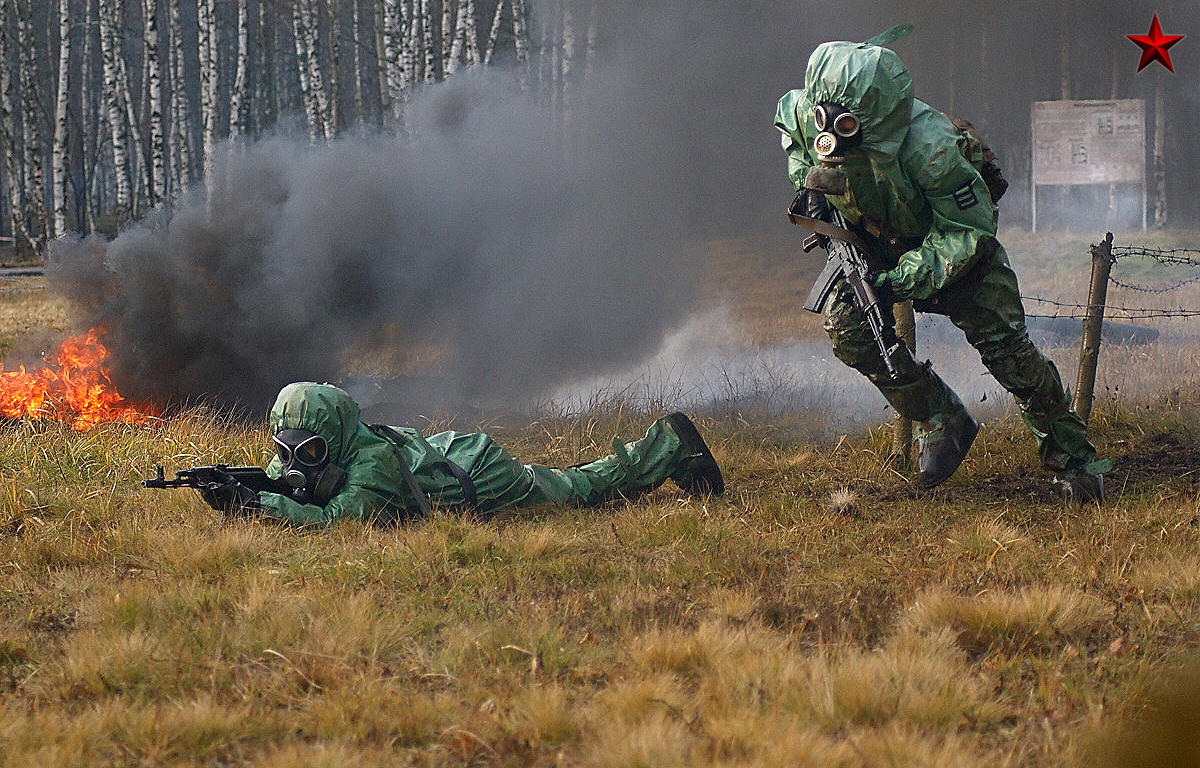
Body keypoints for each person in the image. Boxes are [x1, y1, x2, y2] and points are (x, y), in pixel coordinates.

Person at [774, 39, 1109, 502]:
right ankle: (942, 416)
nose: (830, 135)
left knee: (1010, 355)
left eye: (847, 124)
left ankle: (1076, 464)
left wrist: (894, 282)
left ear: (873, 117)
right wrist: (807, 185)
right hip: (874, 243)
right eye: (823, 122)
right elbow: (790, 126)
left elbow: (967, 233)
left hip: (956, 251)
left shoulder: (930, 148)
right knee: (849, 330)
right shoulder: (809, 112)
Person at [200, 381, 724, 526]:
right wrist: (245, 489)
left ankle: (668, 444)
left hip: (479, 476)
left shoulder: (370, 466)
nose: (299, 462)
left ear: (334, 437)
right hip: (443, 455)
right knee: (567, 481)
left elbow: (337, 519)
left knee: (575, 491)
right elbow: (283, 480)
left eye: (312, 450)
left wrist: (257, 507)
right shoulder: (324, 448)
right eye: (288, 449)